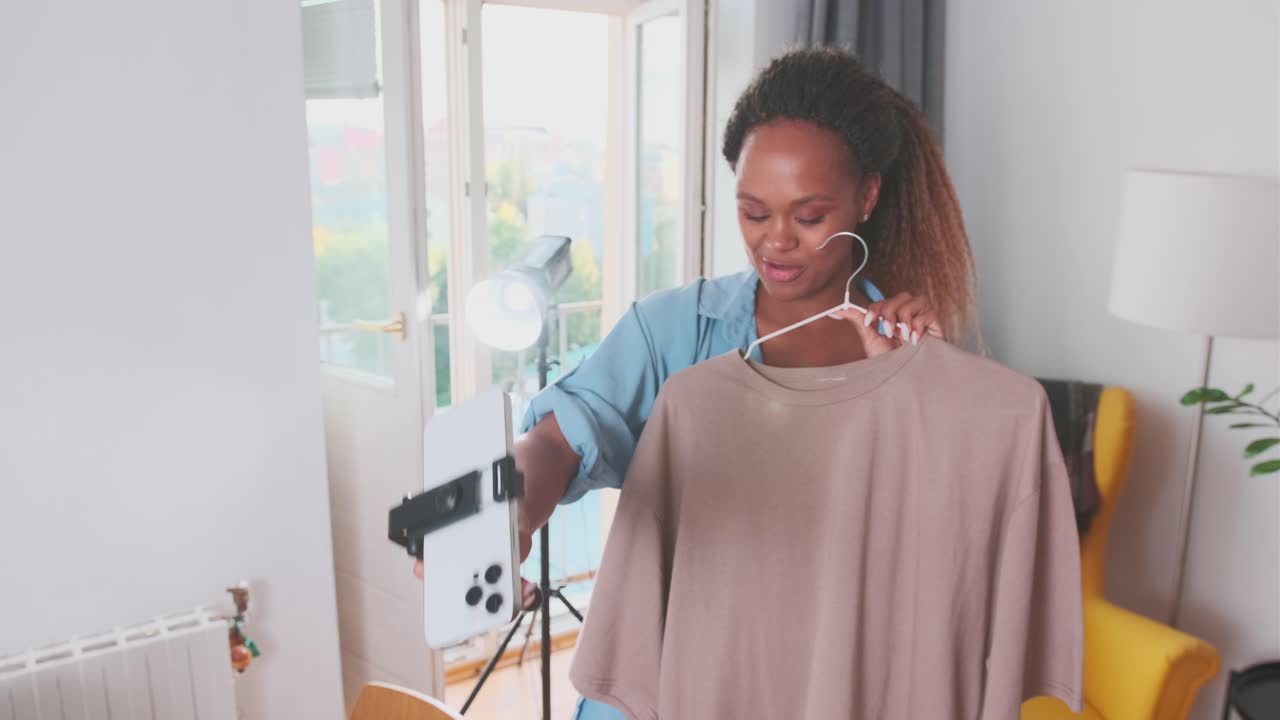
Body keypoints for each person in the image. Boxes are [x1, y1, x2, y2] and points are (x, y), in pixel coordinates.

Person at [415, 47, 978, 719]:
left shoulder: (907, 351)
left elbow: (946, 549)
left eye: (808, 216)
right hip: (664, 686)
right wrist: (512, 511)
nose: (775, 242)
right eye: (753, 211)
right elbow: (562, 436)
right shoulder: (676, 329)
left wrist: (922, 386)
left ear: (867, 196)